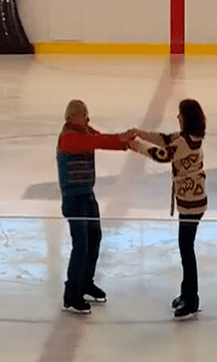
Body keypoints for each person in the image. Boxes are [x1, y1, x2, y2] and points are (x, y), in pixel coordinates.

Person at [129, 98, 207, 318]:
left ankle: (191, 298)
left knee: (186, 250)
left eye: (180, 114)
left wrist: (137, 146)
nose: (177, 117)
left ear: (186, 117)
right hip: (193, 202)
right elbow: (165, 139)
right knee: (186, 248)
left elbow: (163, 155)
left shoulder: (184, 142)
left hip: (191, 205)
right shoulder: (190, 138)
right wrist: (140, 133)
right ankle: (188, 294)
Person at [57, 99, 136, 314]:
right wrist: (123, 142)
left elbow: (100, 137)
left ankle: (85, 282)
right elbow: (96, 142)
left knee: (94, 238)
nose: (88, 118)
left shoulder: (84, 131)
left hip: (88, 196)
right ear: (72, 118)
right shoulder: (69, 138)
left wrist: (123, 140)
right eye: (84, 114)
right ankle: (71, 294)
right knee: (81, 245)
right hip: (74, 200)